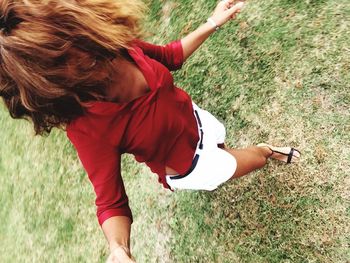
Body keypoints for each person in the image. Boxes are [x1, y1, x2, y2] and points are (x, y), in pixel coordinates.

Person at [0, 0, 300, 262]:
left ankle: (234, 149)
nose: (77, 54)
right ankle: (266, 150)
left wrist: (213, 21)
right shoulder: (86, 126)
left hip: (196, 119)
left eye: (69, 39)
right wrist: (119, 249)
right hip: (194, 166)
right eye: (59, 62)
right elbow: (110, 201)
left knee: (220, 139)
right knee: (253, 159)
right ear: (44, 82)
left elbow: (170, 57)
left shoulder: (114, 46)